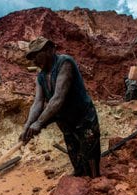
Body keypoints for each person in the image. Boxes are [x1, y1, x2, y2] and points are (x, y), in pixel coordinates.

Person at [20, 37, 101, 178]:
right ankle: (79, 181)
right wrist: (27, 126)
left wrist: (39, 122)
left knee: (90, 157)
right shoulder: (41, 76)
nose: (34, 61)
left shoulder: (65, 63)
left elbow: (58, 98)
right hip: (65, 122)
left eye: (36, 55)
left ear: (49, 50)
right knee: (75, 157)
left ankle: (96, 184)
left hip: (83, 118)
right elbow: (38, 102)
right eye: (31, 57)